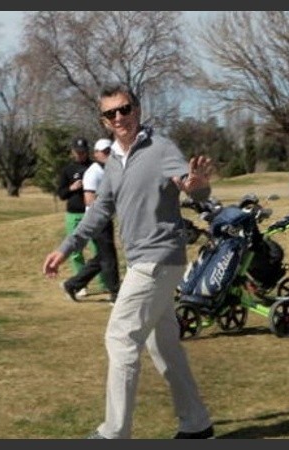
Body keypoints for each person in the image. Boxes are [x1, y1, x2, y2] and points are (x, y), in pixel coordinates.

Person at [42, 83, 215, 439]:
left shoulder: (161, 148)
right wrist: (66, 247)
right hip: (147, 261)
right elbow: (99, 211)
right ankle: (197, 425)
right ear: (103, 121)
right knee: (162, 343)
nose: (119, 118)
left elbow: (190, 185)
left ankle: (114, 433)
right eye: (111, 113)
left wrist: (197, 185)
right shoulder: (113, 165)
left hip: (158, 258)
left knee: (120, 337)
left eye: (125, 109)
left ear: (137, 110)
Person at [60, 138, 121, 304]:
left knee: (102, 256)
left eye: (111, 152)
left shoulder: (111, 169)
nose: (109, 155)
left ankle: (72, 284)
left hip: (106, 219)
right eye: (105, 152)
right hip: (96, 220)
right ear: (97, 154)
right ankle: (115, 293)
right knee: (109, 258)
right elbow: (89, 200)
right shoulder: (93, 172)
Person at [56, 137, 97, 297]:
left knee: (97, 249)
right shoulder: (67, 170)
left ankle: (104, 281)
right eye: (77, 152)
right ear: (73, 152)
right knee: (75, 251)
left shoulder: (94, 167)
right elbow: (61, 194)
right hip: (73, 214)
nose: (80, 155)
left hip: (92, 213)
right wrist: (72, 188)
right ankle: (81, 285)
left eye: (83, 152)